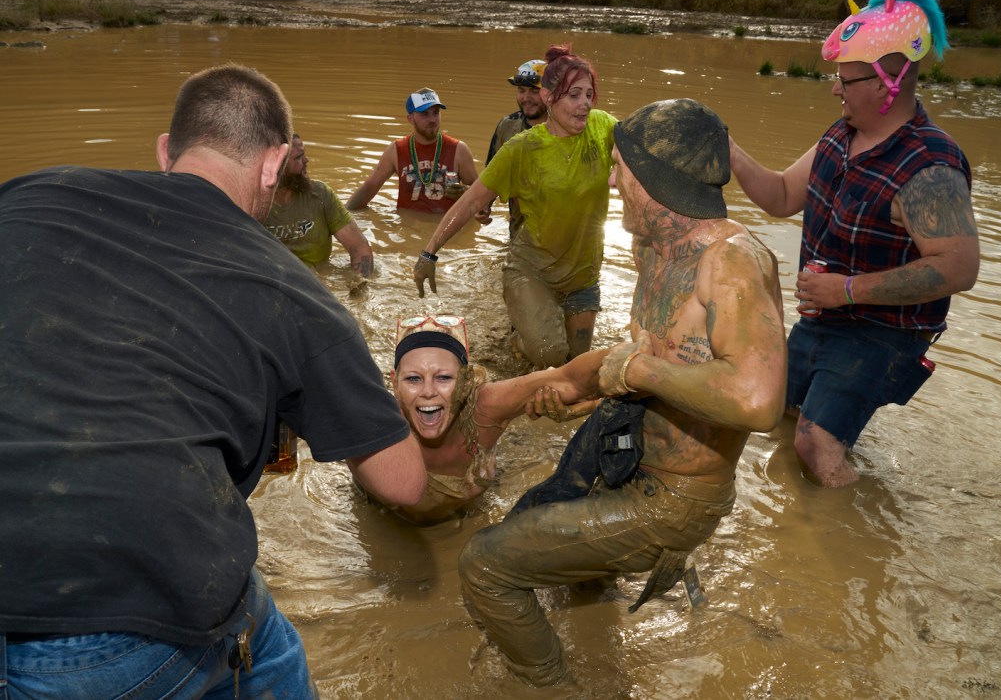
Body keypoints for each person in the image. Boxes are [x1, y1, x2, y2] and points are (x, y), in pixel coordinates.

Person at [0, 63, 426, 698]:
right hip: (119, 628)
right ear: (273, 163)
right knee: (269, 654)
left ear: (166, 149)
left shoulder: (30, 194)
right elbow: (404, 482)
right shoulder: (292, 291)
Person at [457, 98, 787, 687]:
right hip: (626, 446)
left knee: (484, 566)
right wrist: (583, 390)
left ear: (656, 181)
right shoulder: (651, 246)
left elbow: (757, 398)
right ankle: (602, 653)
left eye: (621, 170)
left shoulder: (733, 262)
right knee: (563, 554)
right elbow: (659, 353)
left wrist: (635, 377)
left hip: (676, 496)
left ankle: (557, 688)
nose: (612, 180)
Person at [729, 0, 979, 488]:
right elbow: (779, 195)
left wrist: (846, 290)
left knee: (815, 443)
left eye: (847, 79)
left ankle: (850, 543)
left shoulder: (930, 166)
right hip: (823, 318)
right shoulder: (839, 134)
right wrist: (728, 149)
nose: (835, 89)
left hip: (883, 333)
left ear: (892, 78)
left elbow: (959, 267)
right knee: (778, 415)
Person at [414, 44, 616, 369]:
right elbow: (472, 200)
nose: (585, 105)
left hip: (582, 277)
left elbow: (641, 150)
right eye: (574, 95)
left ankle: (535, 327)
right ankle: (518, 339)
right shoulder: (521, 146)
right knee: (549, 353)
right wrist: (429, 252)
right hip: (533, 268)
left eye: (589, 95)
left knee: (577, 366)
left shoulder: (602, 127)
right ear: (551, 97)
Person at [363, 314, 605, 524]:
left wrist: (629, 362)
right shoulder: (375, 419)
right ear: (394, 383)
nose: (428, 391)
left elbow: (570, 379)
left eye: (444, 378)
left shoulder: (485, 407)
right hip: (382, 515)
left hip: (463, 516)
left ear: (467, 382)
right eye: (413, 379)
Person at [345, 87, 479, 214]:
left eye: (436, 113)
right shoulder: (396, 150)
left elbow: (482, 194)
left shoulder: (458, 150)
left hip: (446, 230)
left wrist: (465, 192)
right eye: (425, 114)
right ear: (410, 118)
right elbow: (367, 190)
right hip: (406, 231)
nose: (432, 119)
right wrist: (341, 216)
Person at [264, 133, 373, 274]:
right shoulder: (253, 203)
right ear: (277, 166)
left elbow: (359, 247)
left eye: (304, 154)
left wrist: (360, 285)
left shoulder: (321, 196)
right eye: (298, 157)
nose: (306, 160)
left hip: (320, 281)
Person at [484, 58, 549, 236]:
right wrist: (484, 205)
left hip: (560, 235)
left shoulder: (567, 128)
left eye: (534, 91)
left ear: (550, 92)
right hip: (520, 234)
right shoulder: (507, 126)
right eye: (521, 90)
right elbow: (492, 174)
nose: (526, 98)